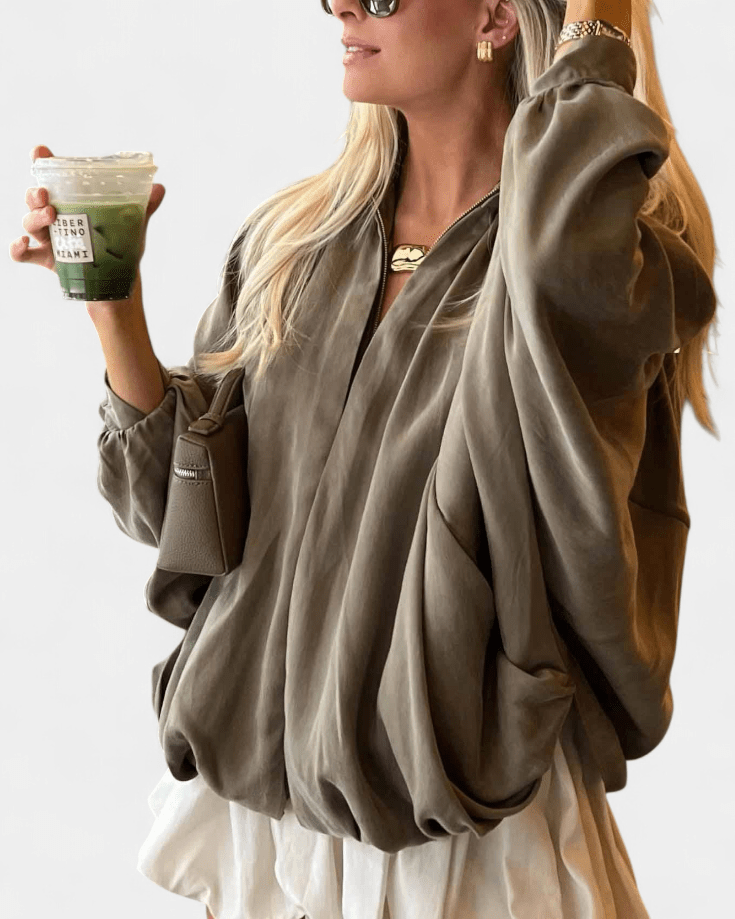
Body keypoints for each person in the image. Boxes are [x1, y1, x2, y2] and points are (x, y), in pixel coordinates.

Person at [10, 1, 720, 918]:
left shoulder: (599, 268)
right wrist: (115, 306)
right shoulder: (294, 245)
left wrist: (596, 20)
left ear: (496, 16)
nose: (344, 5)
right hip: (272, 841)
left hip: (463, 844)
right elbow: (187, 526)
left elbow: (557, 255)